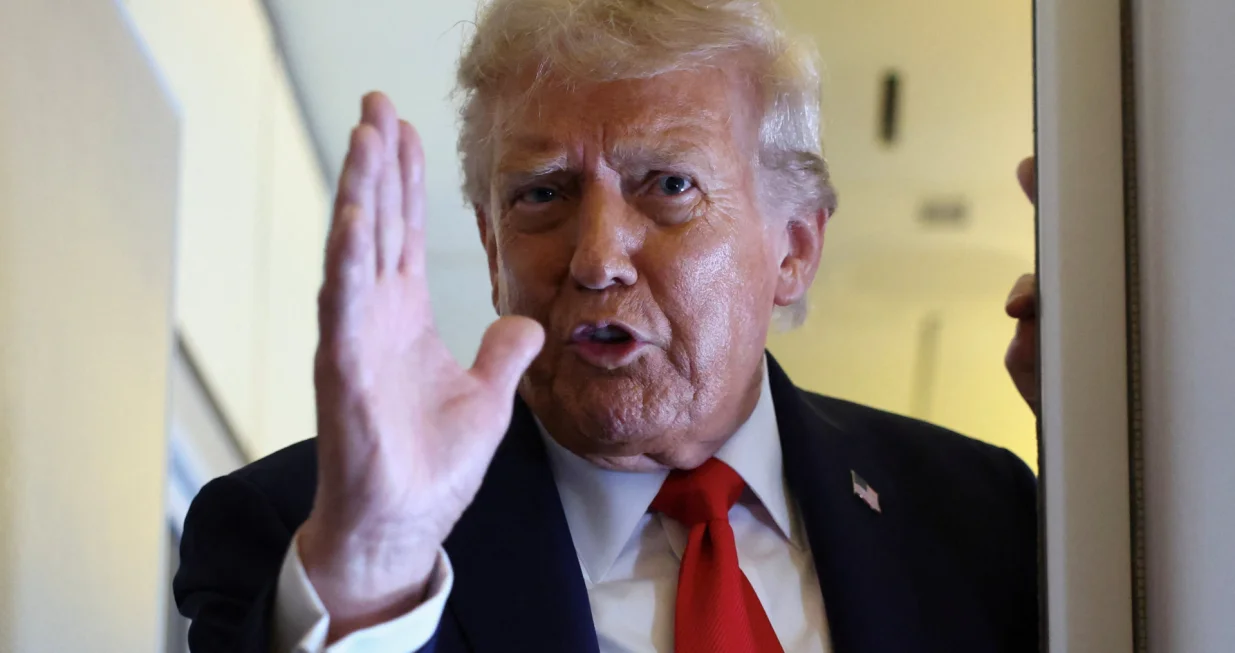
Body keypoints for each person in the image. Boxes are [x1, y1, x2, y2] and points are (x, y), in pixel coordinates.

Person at [173, 0, 1042, 651]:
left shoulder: (978, 515)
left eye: (668, 185)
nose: (596, 257)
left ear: (794, 249)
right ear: (490, 247)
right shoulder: (303, 536)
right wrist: (371, 574)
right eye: (541, 194)